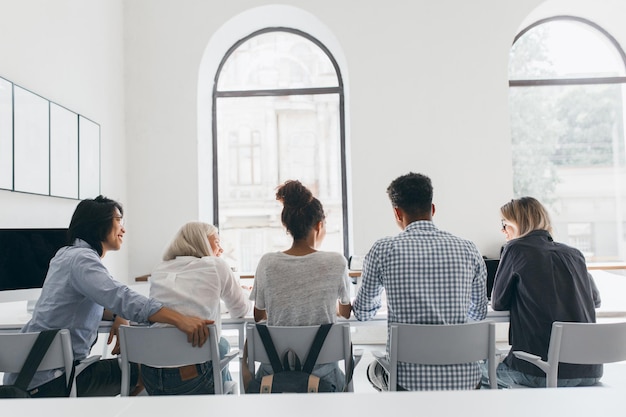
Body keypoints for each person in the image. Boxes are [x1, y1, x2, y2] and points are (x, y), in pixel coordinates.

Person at [3, 196, 213, 397]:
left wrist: (119, 315)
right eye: (118, 221)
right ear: (98, 224)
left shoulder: (65, 255)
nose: (123, 229)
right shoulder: (83, 260)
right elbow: (122, 296)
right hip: (52, 382)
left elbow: (86, 304)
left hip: (26, 378)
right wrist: (181, 319)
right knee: (145, 368)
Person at [353, 172, 488, 391]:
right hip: (466, 382)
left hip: (409, 385)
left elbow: (363, 312)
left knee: (371, 370)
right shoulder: (468, 249)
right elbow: (478, 314)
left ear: (397, 213)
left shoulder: (383, 250)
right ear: (432, 209)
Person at [248, 180, 352, 391]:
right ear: (319, 225)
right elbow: (346, 312)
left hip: (273, 376)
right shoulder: (336, 262)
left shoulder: (267, 262)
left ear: (287, 226)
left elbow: (259, 316)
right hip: (323, 378)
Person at [489, 196, 602, 388]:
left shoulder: (515, 249)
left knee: (478, 369)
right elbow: (595, 301)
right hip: (589, 371)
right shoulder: (574, 254)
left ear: (519, 223)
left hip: (540, 372)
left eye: (505, 223)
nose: (503, 230)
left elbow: (498, 302)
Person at [141, 222, 251, 395]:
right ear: (202, 241)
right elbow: (240, 310)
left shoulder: (160, 268)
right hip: (190, 379)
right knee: (221, 346)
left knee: (220, 345)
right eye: (217, 242)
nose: (221, 249)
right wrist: (241, 290)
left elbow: (184, 304)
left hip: (150, 377)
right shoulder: (216, 265)